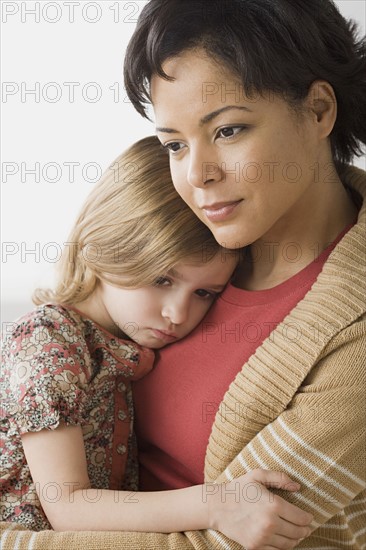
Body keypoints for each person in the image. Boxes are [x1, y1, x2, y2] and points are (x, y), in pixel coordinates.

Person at [1, 0, 365, 548]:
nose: (197, 175)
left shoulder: (350, 329)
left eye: (228, 130)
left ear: (317, 111)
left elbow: (227, 542)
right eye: (174, 143)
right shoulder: (195, 249)